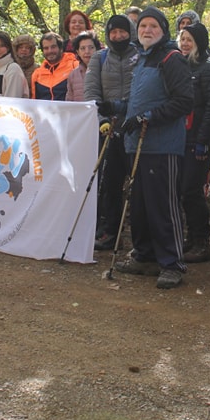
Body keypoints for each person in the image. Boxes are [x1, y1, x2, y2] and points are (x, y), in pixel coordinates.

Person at [113, 6, 193, 289]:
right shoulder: (142, 59)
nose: (147, 30)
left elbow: (184, 101)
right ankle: (144, 255)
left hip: (162, 146)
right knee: (140, 206)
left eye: (153, 27)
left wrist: (146, 117)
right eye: (143, 26)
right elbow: (139, 102)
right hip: (137, 145)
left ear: (164, 31)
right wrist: (117, 109)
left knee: (163, 205)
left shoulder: (172, 59)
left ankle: (172, 263)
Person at [86, 14, 139, 251]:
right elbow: (91, 92)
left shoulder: (141, 56)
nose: (118, 36)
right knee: (109, 183)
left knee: (138, 185)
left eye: (123, 32)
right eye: (113, 32)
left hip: (136, 128)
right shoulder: (100, 57)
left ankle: (140, 234)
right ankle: (110, 231)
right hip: (108, 129)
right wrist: (102, 120)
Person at [178, 23, 210, 263]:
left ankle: (201, 242)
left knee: (191, 190)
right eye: (182, 39)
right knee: (182, 191)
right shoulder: (180, 66)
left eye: (190, 39)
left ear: (199, 42)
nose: (185, 43)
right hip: (180, 138)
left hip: (199, 140)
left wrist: (203, 141)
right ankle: (190, 238)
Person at [32, 32, 79, 101]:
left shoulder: (74, 66)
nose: (50, 51)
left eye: (53, 47)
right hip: (45, 111)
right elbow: (34, 101)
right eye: (46, 48)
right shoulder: (37, 74)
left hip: (69, 110)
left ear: (60, 48)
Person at [66, 31, 100, 102]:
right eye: (82, 48)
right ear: (78, 52)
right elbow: (69, 101)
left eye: (91, 47)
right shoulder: (73, 75)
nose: (87, 51)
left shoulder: (104, 70)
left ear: (96, 49)